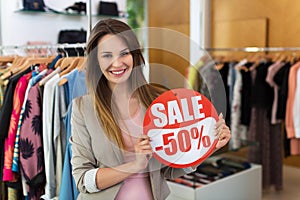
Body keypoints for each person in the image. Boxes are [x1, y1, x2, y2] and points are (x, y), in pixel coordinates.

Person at [70, 18, 231, 200]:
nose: (117, 63)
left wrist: (208, 146)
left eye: (124, 53)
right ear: (96, 61)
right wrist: (135, 165)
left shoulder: (158, 100)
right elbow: (83, 179)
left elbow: (170, 168)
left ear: (135, 55)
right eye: (107, 55)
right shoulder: (82, 109)